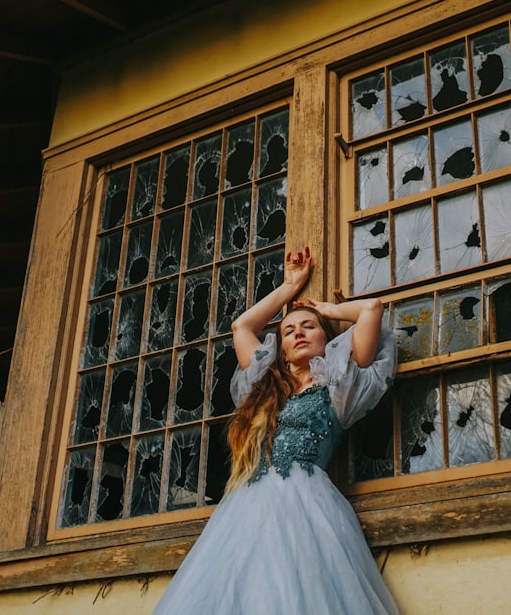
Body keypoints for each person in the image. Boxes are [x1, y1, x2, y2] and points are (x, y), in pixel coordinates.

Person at [153, 247, 400, 614]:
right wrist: (289, 287)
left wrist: (325, 310)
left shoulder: (340, 385)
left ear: (326, 339)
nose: (298, 333)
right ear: (281, 349)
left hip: (308, 506)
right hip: (246, 506)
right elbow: (242, 327)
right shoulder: (262, 389)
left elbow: (371, 310)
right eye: (289, 331)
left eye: (308, 328)